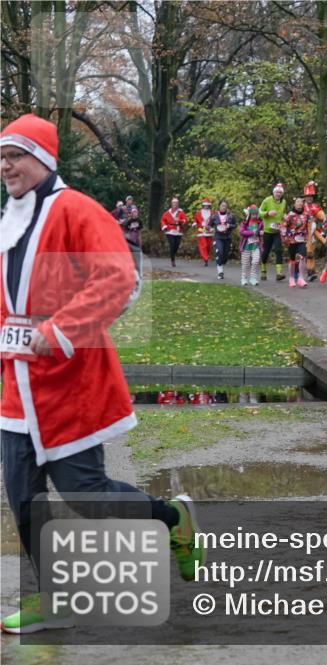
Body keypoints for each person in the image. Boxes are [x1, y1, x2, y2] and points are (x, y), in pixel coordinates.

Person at [0, 114, 202, 634]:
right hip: (19, 392)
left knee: (86, 494)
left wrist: (62, 327)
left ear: (43, 159)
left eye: (15, 156)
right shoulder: (11, 217)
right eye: (1, 157)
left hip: (72, 386)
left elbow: (120, 278)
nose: (5, 166)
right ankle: (53, 598)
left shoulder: (77, 210)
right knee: (23, 497)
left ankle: (172, 519)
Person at [281, 197, 311, 288]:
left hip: (302, 240)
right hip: (292, 240)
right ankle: (291, 278)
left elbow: (308, 226)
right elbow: (283, 226)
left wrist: (308, 237)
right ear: (294, 204)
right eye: (298, 202)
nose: (300, 203)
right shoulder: (290, 215)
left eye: (301, 202)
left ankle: (301, 278)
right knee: (293, 260)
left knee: (302, 257)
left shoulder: (306, 215)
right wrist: (285, 238)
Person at [259, 183, 287, 281]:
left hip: (277, 231)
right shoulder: (267, 200)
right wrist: (267, 213)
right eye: (277, 192)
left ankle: (279, 273)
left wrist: (285, 216)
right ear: (273, 192)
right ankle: (263, 270)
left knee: (279, 250)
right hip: (267, 231)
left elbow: (282, 213)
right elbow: (260, 212)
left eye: (280, 192)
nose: (278, 194)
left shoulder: (283, 202)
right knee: (266, 251)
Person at [302, 181, 326, 281]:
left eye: (311, 196)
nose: (309, 198)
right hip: (303, 233)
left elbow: (322, 216)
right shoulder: (301, 206)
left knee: (310, 252)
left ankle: (311, 272)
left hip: (313, 231)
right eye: (307, 196)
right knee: (307, 253)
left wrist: (325, 219)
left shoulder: (315, 207)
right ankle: (308, 272)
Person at [209, 199, 236, 280]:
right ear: (219, 206)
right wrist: (210, 229)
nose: (224, 207)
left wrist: (230, 226)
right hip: (218, 237)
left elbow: (235, 225)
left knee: (225, 256)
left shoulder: (231, 216)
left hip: (227, 238)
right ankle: (220, 272)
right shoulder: (214, 216)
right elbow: (208, 225)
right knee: (219, 252)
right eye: (222, 206)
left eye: (225, 206)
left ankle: (222, 263)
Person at [240, 204, 263, 286]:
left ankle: (253, 278)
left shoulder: (260, 223)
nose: (254, 216)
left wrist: (261, 233)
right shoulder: (245, 223)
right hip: (246, 245)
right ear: (249, 214)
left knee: (256, 261)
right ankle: (244, 278)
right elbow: (242, 232)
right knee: (245, 263)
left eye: (256, 214)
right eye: (253, 214)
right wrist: (251, 232)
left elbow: (263, 231)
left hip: (256, 245)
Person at [160, 196, 187, 267]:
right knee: (172, 244)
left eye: (176, 203)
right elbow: (162, 220)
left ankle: (173, 254)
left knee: (176, 245)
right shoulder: (167, 213)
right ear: (171, 204)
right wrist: (164, 226)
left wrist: (179, 220)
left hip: (178, 230)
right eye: (173, 203)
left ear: (178, 204)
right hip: (170, 230)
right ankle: (173, 260)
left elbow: (185, 220)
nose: (175, 204)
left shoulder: (181, 212)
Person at [191, 198, 214, 266]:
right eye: (205, 205)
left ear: (209, 205)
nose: (206, 206)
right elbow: (195, 220)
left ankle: (206, 256)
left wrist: (213, 227)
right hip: (201, 230)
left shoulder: (212, 213)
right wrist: (194, 223)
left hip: (209, 231)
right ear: (203, 205)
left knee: (208, 246)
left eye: (207, 205)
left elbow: (214, 221)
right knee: (204, 245)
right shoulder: (199, 213)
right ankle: (206, 259)